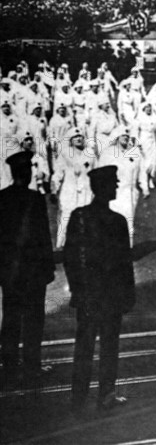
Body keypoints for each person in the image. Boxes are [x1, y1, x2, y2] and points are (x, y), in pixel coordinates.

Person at [64, 165, 135, 413]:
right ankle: (106, 396)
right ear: (103, 188)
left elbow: (70, 257)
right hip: (111, 298)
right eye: (113, 183)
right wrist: (129, 296)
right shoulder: (117, 222)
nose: (116, 185)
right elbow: (125, 264)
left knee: (83, 348)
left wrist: (77, 290)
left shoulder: (79, 217)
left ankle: (78, 399)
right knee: (109, 348)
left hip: (87, 297)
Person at [0, 151, 54, 388]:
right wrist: (48, 269)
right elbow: (43, 237)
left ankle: (9, 363)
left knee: (11, 316)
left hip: (10, 271)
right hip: (33, 270)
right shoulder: (36, 199)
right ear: (27, 173)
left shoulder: (1, 198)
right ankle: (32, 364)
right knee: (34, 319)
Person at [51, 127, 96, 249]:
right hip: (69, 190)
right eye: (75, 137)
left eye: (80, 136)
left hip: (86, 190)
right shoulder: (65, 153)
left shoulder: (90, 153)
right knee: (67, 216)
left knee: (85, 218)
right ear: (70, 140)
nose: (78, 139)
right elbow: (58, 173)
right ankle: (63, 246)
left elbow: (95, 171)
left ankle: (84, 246)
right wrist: (54, 188)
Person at [99, 126, 144, 247]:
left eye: (127, 136)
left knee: (129, 221)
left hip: (130, 192)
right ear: (116, 137)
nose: (125, 138)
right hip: (115, 193)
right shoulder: (108, 153)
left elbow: (141, 170)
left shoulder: (135, 153)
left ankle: (127, 249)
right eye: (123, 136)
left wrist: (144, 186)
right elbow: (100, 173)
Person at [136, 101, 156, 193]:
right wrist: (138, 142)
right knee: (145, 161)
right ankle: (144, 182)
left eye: (150, 107)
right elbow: (136, 131)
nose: (149, 109)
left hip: (152, 139)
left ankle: (151, 179)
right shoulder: (139, 118)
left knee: (153, 160)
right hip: (144, 139)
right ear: (143, 109)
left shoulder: (154, 117)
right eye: (146, 108)